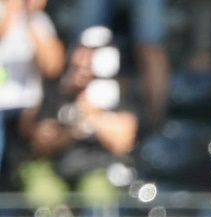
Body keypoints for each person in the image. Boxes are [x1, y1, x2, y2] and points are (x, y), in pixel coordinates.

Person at [18, 27, 135, 207]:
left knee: (97, 194)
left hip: (98, 169)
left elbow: (123, 141)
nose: (85, 60)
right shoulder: (56, 89)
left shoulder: (116, 92)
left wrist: (92, 114)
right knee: (44, 195)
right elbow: (40, 140)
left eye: (93, 54)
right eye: (82, 52)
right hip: (57, 168)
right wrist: (71, 129)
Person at [0, 0, 65, 173]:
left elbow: (52, 67)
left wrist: (30, 20)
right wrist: (12, 9)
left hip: (28, 108)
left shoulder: (40, 21)